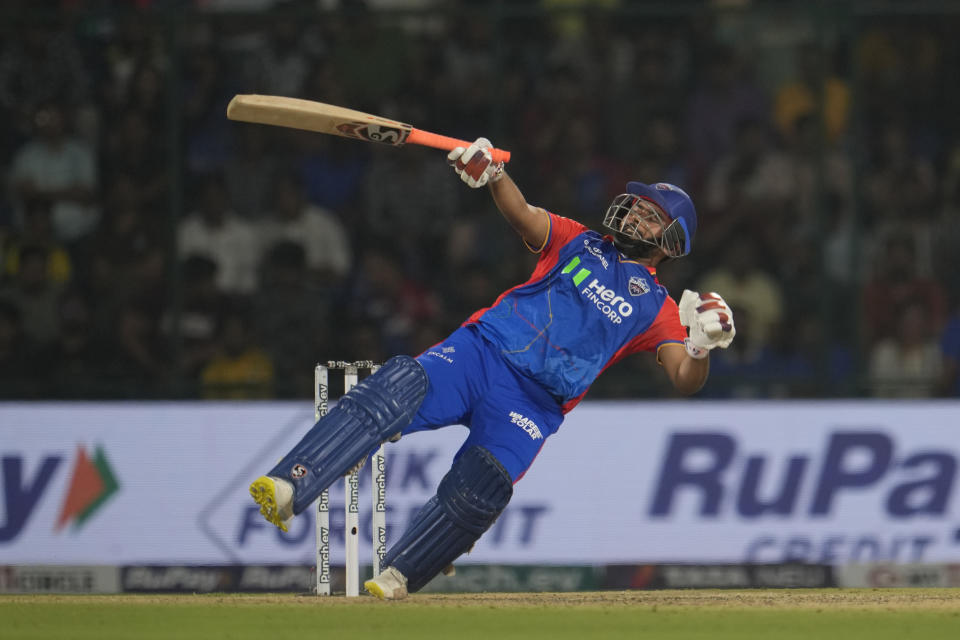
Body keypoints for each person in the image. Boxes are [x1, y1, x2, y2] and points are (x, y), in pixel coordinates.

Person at [247, 138, 737, 600]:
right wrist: (494, 174)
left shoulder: (659, 307)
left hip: (534, 404)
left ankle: (399, 574)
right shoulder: (579, 240)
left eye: (651, 217)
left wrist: (699, 347)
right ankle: (292, 482)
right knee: (394, 390)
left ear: (671, 242)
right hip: (480, 353)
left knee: (484, 487)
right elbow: (524, 217)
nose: (634, 215)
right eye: (636, 206)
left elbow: (683, 379)